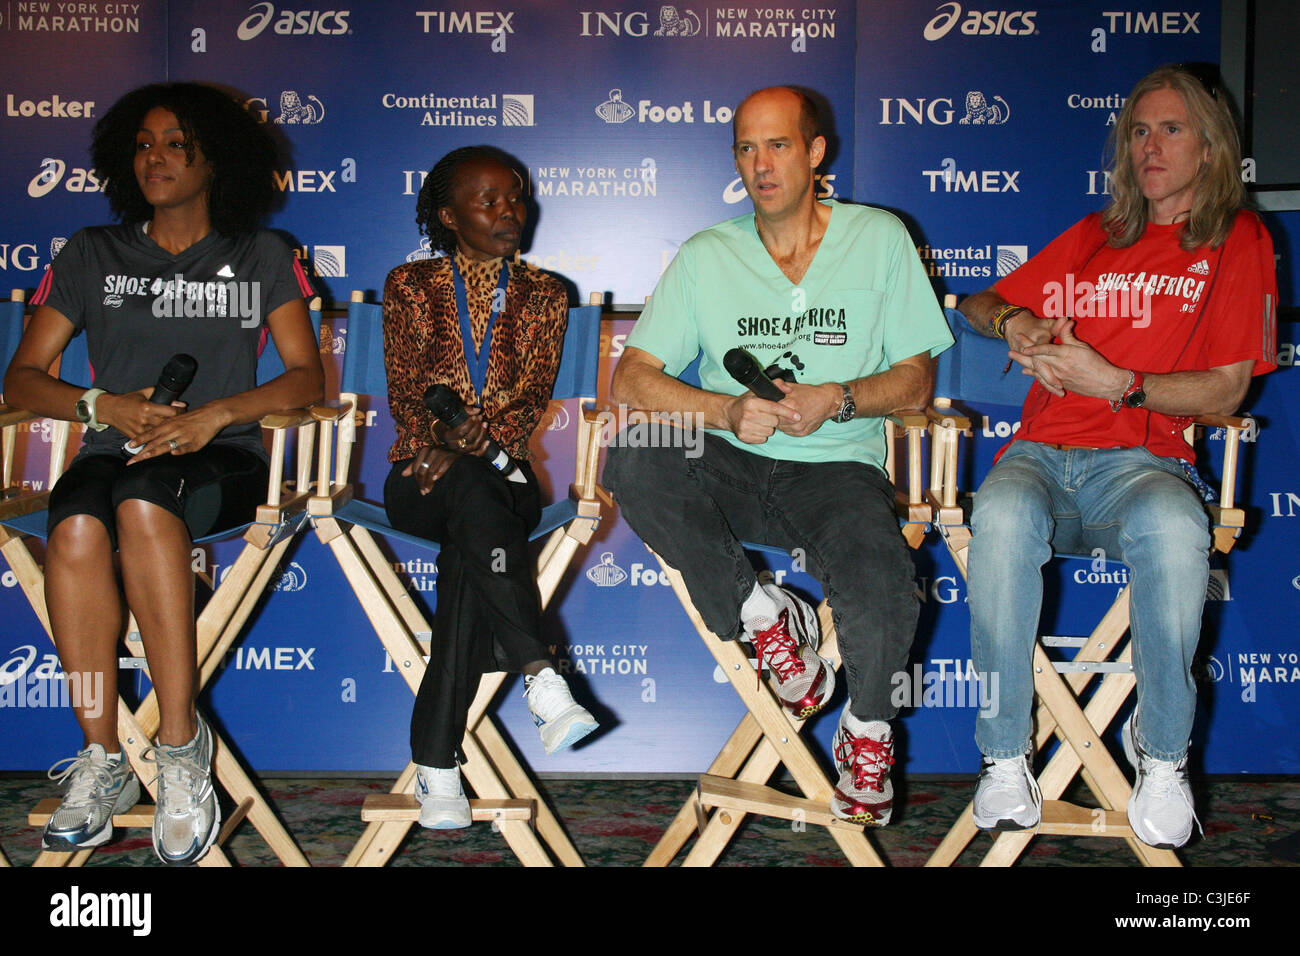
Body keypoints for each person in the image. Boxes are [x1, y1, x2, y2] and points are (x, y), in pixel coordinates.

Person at [604, 87, 952, 825]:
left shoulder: (880, 237)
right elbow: (631, 379)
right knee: (636, 456)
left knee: (882, 574)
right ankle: (763, 615)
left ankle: (866, 733)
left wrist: (839, 398)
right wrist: (724, 410)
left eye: (779, 145)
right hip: (731, 462)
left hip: (838, 471)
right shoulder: (707, 254)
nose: (761, 165)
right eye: (746, 148)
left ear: (817, 151)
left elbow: (917, 378)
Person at [959, 63, 1278, 848]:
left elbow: (1229, 390)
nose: (1151, 145)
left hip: (1144, 465)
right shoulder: (1097, 235)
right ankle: (1004, 756)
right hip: (1038, 454)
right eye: (1139, 130)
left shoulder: (1238, 238)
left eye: (1172, 129)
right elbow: (976, 302)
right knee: (996, 515)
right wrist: (1016, 327)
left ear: (1210, 147)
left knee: (1175, 531)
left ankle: (1162, 755)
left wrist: (1122, 383)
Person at [4, 83, 324, 864]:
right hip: (112, 450)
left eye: (177, 143)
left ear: (217, 158)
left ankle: (180, 750)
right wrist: (101, 405)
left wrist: (214, 414)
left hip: (227, 457)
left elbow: (305, 378)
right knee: (76, 525)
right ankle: (104, 753)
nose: (155, 157)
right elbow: (23, 380)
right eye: (143, 144)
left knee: (143, 508)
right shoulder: (91, 253)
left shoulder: (262, 255)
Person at [382, 145, 598, 830]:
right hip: (417, 476)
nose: (510, 211)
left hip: (502, 478)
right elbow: (406, 394)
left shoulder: (545, 294)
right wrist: (443, 438)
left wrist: (477, 442)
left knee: (472, 540)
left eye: (516, 197)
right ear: (448, 215)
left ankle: (437, 768)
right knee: (473, 508)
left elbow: (527, 398)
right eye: (490, 200)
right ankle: (539, 674)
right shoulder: (409, 287)